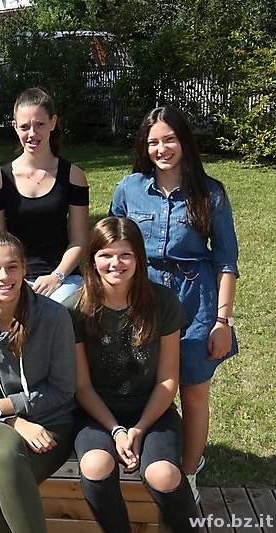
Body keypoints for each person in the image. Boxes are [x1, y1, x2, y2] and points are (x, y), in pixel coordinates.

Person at [109, 105, 239, 502]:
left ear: (184, 141)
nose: (162, 149)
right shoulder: (128, 189)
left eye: (170, 139)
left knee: (193, 391)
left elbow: (226, 262)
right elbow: (111, 248)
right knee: (142, 386)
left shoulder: (210, 193)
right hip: (141, 300)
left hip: (195, 303)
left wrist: (222, 322)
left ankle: (189, 474)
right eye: (153, 142)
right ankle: (142, 463)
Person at [64, 217, 200, 531]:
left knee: (163, 474)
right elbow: (82, 386)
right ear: (92, 260)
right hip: (96, 413)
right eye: (106, 255)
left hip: (152, 411)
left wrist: (138, 429)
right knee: (96, 465)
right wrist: (116, 431)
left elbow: (168, 380)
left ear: (139, 257)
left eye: (126, 254)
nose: (116, 263)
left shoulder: (163, 302)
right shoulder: (74, 310)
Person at [0, 231, 76, 533]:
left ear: (24, 269)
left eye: (12, 267)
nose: (3, 277)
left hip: (50, 423)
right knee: (5, 454)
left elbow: (62, 389)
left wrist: (1, 407)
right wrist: (12, 419)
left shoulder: (54, 316)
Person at [0, 87, 89, 303]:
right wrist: (15, 279)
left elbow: (79, 239)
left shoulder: (73, 176)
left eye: (40, 124)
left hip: (63, 277)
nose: (32, 134)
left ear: (53, 122)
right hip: (15, 279)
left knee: (57, 311)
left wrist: (57, 276)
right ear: (15, 127)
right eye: (24, 127)